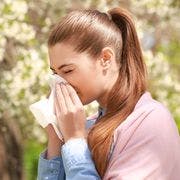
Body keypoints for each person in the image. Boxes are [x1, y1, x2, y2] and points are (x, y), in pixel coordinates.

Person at [37, 7, 180, 180]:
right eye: (55, 74)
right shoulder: (88, 125)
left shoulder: (150, 121)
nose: (59, 83)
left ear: (105, 58)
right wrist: (56, 137)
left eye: (67, 71)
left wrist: (74, 141)